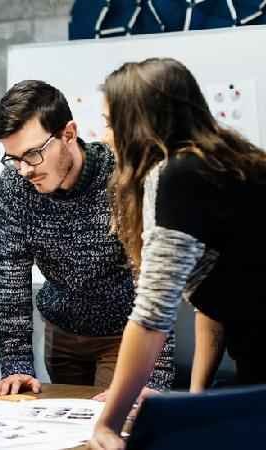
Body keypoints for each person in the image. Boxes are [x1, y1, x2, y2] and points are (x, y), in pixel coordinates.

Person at [90, 58, 266, 449]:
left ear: (138, 124)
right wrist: (196, 401)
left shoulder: (177, 176)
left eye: (110, 123)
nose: (105, 137)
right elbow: (217, 299)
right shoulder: (230, 161)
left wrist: (108, 424)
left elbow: (151, 318)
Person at [0, 80, 175, 398]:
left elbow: (153, 278)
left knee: (112, 420)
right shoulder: (15, 185)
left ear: (68, 134)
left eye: (33, 154)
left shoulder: (121, 176)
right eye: (14, 158)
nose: (24, 170)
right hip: (61, 333)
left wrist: (154, 379)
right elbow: (8, 272)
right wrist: (16, 364)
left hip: (124, 335)